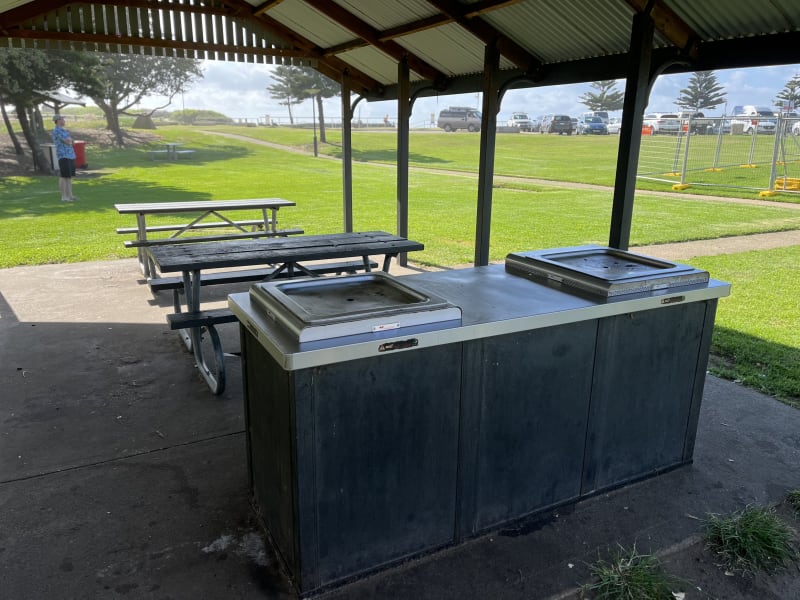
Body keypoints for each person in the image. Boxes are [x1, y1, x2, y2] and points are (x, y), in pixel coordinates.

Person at [52, 115, 77, 202]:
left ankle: (70, 195)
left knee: (69, 177)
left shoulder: (64, 131)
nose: (64, 120)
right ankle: (64, 197)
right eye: (62, 119)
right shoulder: (56, 131)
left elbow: (72, 142)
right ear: (58, 120)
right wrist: (69, 141)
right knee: (64, 176)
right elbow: (67, 141)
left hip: (70, 155)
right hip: (63, 155)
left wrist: (70, 141)